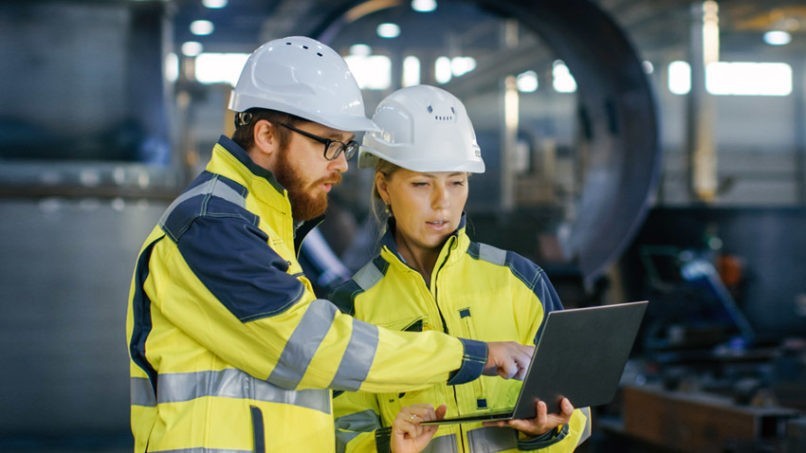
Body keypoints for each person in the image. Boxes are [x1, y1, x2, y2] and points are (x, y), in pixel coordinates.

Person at [125, 36, 534, 452]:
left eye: (345, 146)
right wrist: (469, 356)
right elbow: (311, 348)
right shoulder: (211, 224)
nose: (341, 163)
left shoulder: (263, 223)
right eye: (329, 144)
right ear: (266, 134)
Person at [331, 85, 592, 452]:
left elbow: (577, 411)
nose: (443, 203)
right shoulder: (353, 307)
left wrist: (548, 431)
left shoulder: (521, 281)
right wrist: (386, 445)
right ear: (384, 188)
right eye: (422, 184)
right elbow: (337, 432)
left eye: (456, 182)